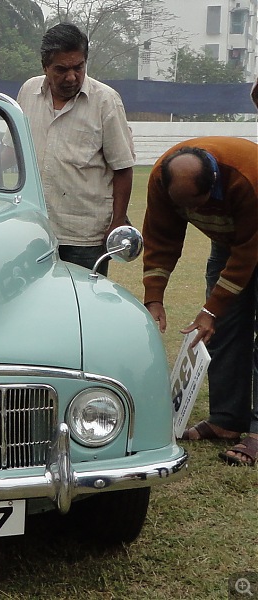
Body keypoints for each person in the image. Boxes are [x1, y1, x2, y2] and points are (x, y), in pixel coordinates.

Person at [0, 23, 134, 276]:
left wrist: (118, 221)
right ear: (45, 67)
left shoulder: (106, 101)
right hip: (32, 228)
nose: (71, 77)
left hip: (84, 235)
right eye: (61, 69)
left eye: (78, 67)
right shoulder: (28, 92)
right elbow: (15, 149)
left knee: (83, 306)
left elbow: (122, 167)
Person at [142, 137, 258, 466]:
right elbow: (161, 235)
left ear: (214, 185)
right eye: (181, 205)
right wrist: (154, 298)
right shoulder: (161, 178)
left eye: (195, 204)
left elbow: (248, 251)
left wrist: (210, 310)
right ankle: (226, 421)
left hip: (253, 232)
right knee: (221, 331)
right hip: (229, 239)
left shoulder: (247, 177)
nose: (189, 213)